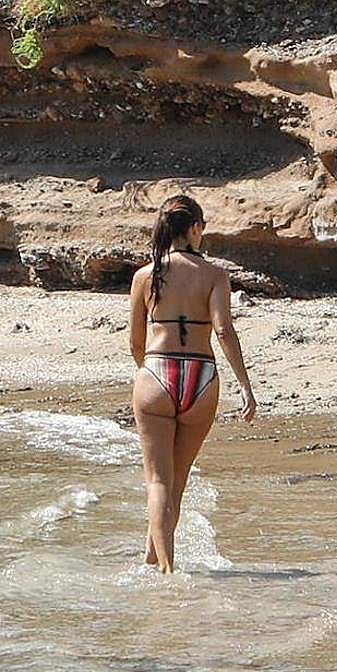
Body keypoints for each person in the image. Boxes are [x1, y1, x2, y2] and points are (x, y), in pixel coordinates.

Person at [129, 194, 257, 573]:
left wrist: (147, 371)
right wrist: (245, 387)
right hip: (201, 376)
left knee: (157, 481)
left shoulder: (144, 275)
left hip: (157, 371)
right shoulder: (216, 275)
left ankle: (164, 568)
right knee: (177, 481)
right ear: (195, 228)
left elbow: (136, 341)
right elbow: (223, 329)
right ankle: (155, 559)